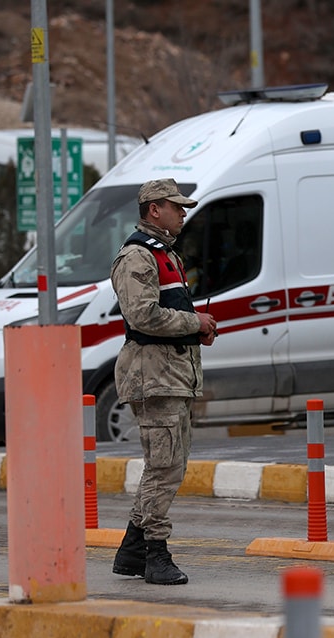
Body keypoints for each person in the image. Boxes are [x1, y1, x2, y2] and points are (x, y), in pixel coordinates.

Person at [110, 178, 217, 585]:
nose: (183, 213)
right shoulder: (137, 256)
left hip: (170, 374)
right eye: (176, 206)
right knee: (164, 467)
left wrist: (195, 331)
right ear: (154, 209)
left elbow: (162, 314)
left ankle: (133, 550)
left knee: (168, 465)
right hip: (153, 376)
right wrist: (194, 322)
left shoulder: (163, 252)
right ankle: (155, 553)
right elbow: (142, 315)